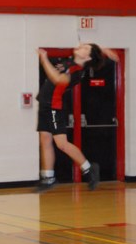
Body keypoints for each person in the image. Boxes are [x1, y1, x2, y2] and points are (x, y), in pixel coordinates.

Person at [36, 43, 119, 192]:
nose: (80, 46)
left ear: (87, 57)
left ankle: (88, 168)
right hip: (44, 105)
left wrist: (44, 59)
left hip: (54, 107)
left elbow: (57, 79)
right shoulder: (71, 62)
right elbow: (95, 51)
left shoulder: (75, 70)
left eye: (85, 48)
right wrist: (105, 50)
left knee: (61, 144)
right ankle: (48, 178)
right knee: (45, 140)